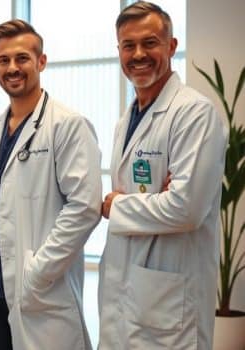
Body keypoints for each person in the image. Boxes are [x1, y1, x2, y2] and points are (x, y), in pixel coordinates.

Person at [0, 19, 102, 350]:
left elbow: (84, 208)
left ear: (41, 61)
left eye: (22, 58)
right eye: (3, 60)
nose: (12, 68)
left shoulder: (67, 126)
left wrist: (37, 272)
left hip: (37, 294)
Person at [98, 2, 227, 349]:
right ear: (119, 52)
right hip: (126, 295)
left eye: (150, 42)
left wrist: (118, 206)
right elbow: (167, 204)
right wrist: (156, 197)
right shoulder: (127, 119)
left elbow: (185, 209)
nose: (138, 54)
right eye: (128, 45)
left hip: (169, 306)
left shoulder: (194, 113)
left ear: (171, 46)